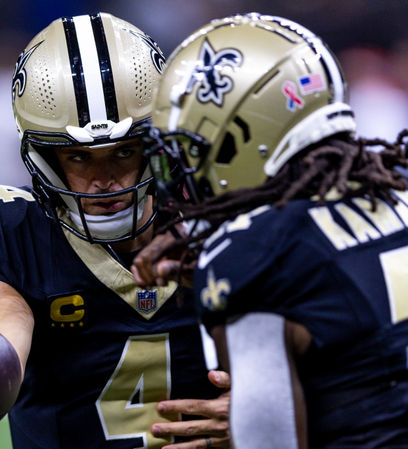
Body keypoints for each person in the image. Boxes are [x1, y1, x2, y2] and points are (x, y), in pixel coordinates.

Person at [0, 13, 231, 449]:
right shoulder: (6, 226)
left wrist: (261, 413)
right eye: (78, 158)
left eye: (124, 151)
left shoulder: (224, 218)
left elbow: (332, 360)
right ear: (44, 157)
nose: (104, 180)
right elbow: (2, 325)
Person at [133, 13, 408, 449]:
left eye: (190, 151)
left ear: (239, 138)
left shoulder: (252, 257)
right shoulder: (397, 192)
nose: (184, 173)